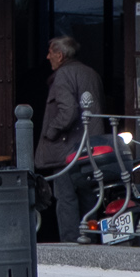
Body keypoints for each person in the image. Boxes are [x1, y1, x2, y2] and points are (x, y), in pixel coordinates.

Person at [38, 34, 106, 243]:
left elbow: (68, 112)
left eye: (50, 52)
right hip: (90, 149)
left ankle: (70, 247)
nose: (47, 56)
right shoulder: (91, 73)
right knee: (88, 198)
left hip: (67, 152)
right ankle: (91, 242)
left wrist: (51, 131)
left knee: (66, 199)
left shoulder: (63, 75)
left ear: (60, 54)